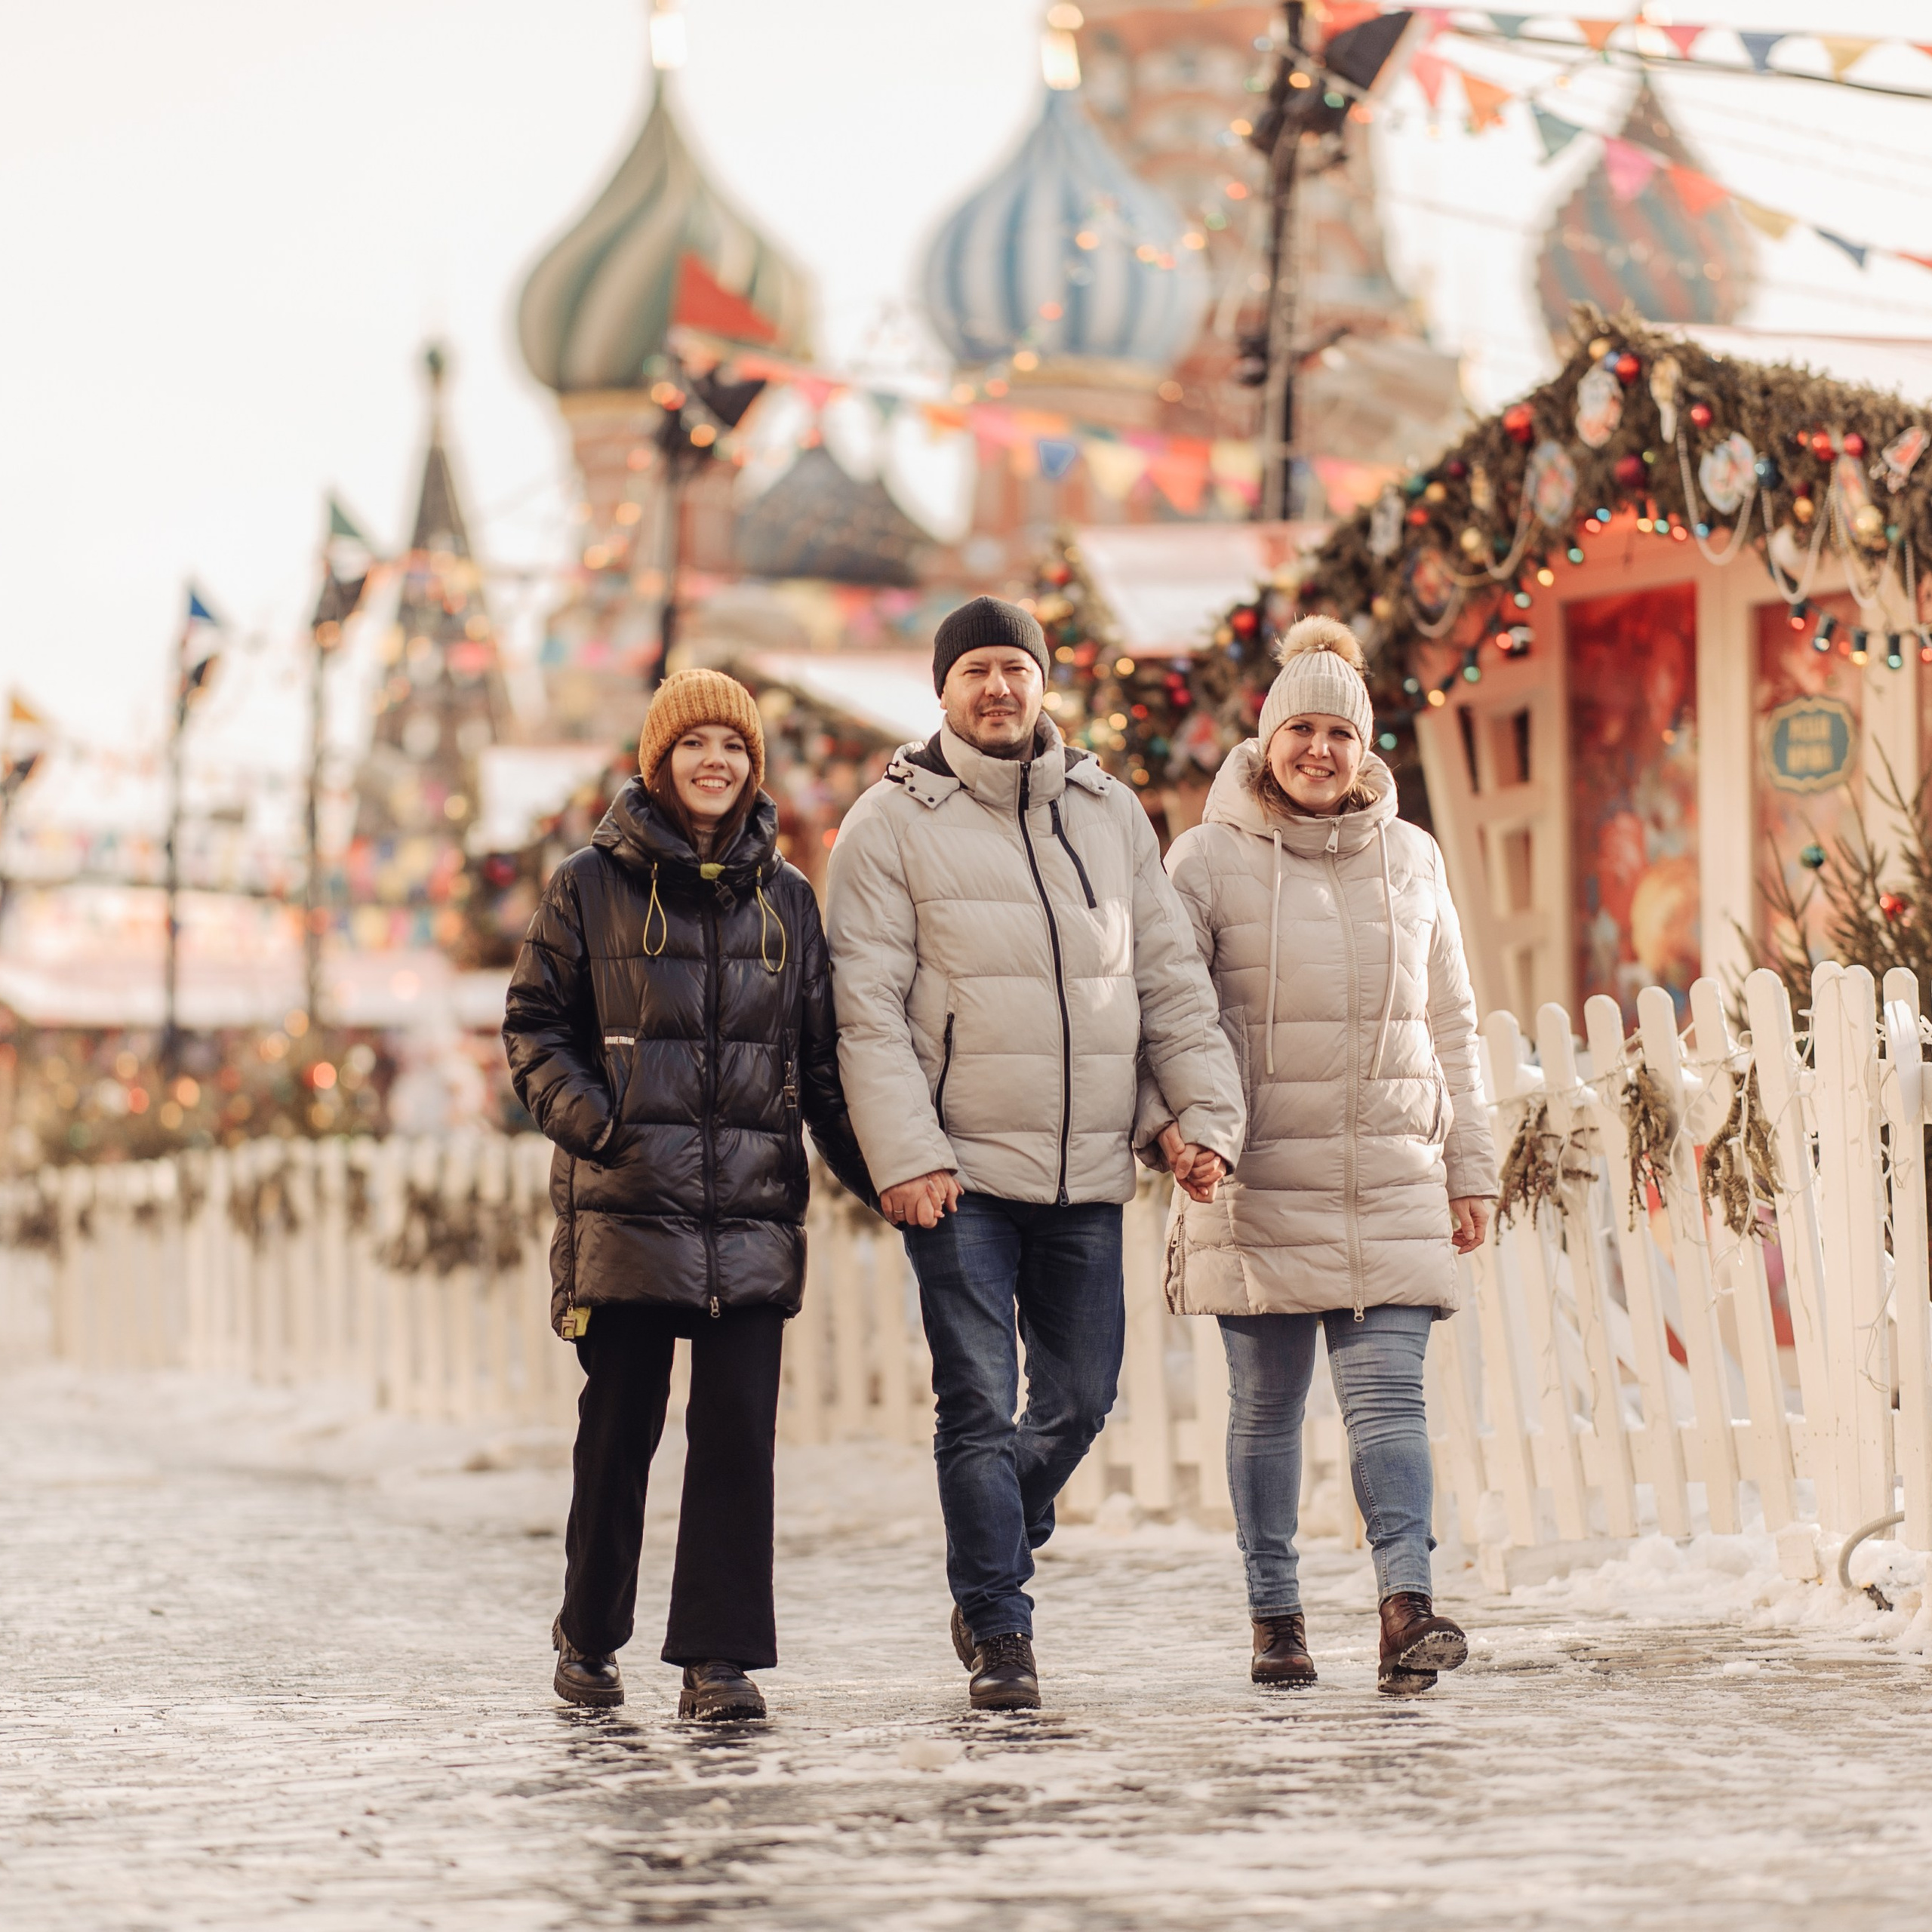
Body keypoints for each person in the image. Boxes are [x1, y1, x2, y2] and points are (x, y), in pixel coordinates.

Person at [825, 595, 1243, 1710]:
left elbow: (1165, 983)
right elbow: (863, 1012)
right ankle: (1001, 1628)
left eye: (1017, 668)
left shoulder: (1108, 813)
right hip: (957, 1174)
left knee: (1083, 1394)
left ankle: (994, 1525)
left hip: (1087, 1170)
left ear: (1043, 681)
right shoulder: (888, 823)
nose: (999, 689)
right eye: (977, 672)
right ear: (944, 691)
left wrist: (1191, 1116)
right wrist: (904, 1157)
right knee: (976, 1398)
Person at [503, 669, 873, 1721]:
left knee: (736, 1438)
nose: (717, 763)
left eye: (735, 747)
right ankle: (589, 1632)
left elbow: (824, 1062)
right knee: (621, 1431)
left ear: (754, 767)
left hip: (752, 1215)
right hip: (629, 1207)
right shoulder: (590, 884)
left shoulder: (789, 899)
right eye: (695, 745)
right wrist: (598, 1125)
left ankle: (718, 1662)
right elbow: (535, 1025)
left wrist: (886, 1177)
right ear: (658, 761)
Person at [1144, 616, 1498, 1697]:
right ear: (1264, 742)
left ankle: (1407, 1607)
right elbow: (1166, 1012)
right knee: (1269, 1411)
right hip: (1258, 1178)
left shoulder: (1414, 857)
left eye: (1338, 732)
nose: (1318, 750)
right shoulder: (1203, 862)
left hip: (1392, 1172)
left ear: (1365, 746)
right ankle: (1276, 1616)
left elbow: (1454, 1021)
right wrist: (1179, 1130)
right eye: (1299, 728)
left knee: (1392, 1400)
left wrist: (1473, 1164)